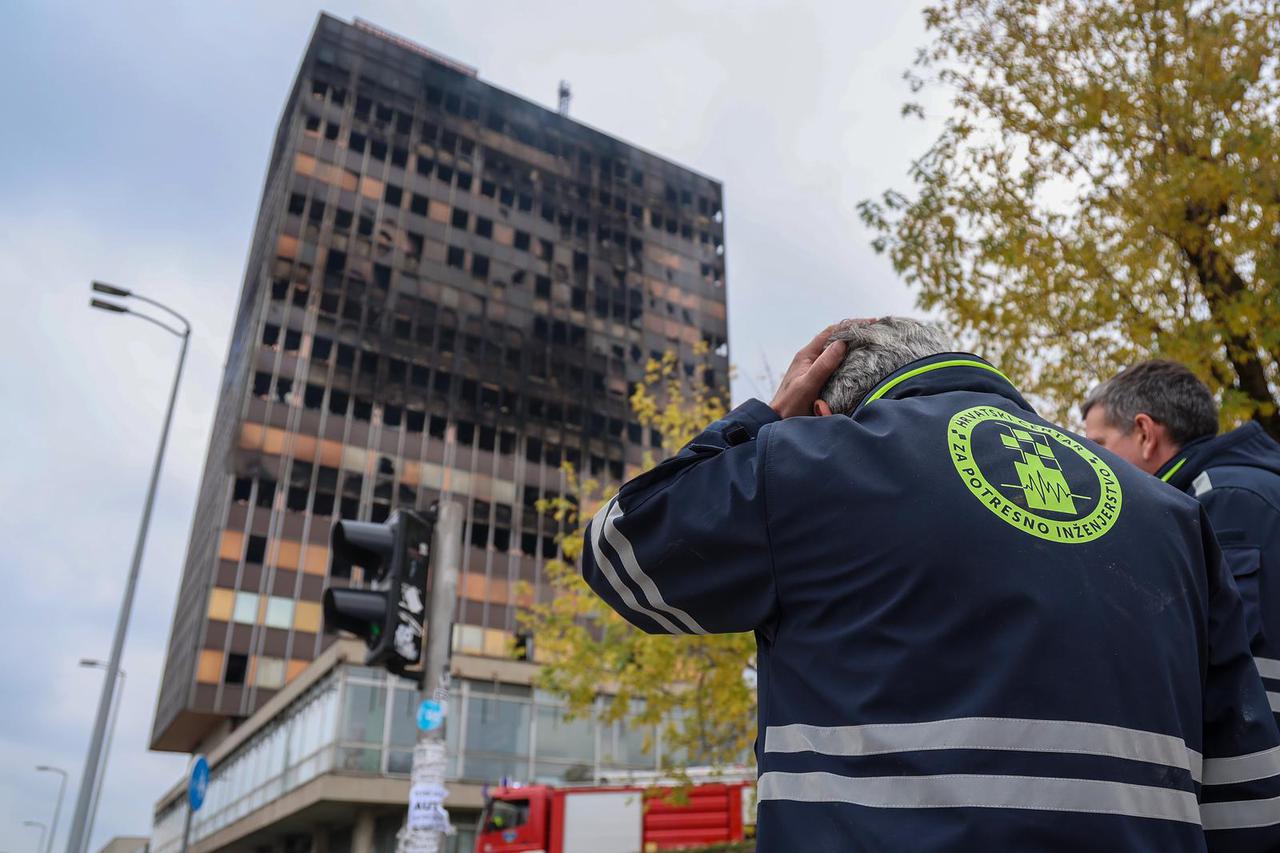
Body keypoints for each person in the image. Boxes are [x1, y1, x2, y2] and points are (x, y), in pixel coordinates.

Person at [580, 318, 1280, 851]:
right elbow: (1248, 800)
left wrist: (762, 420)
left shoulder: (808, 463)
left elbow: (622, 550)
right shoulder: (1176, 514)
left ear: (823, 413)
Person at [1083, 360, 1280, 724]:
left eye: (1098, 444)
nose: (1091, 460)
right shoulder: (1240, 488)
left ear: (1144, 433)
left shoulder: (1220, 502)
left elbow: (1239, 670)